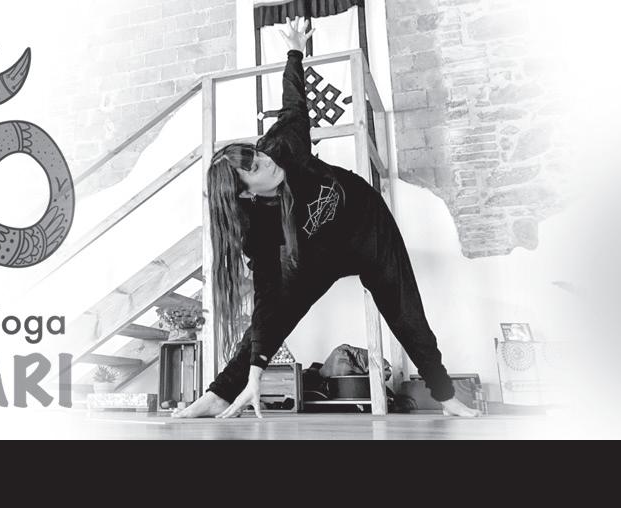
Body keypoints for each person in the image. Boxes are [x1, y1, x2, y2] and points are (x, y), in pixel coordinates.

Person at [173, 18, 481, 419]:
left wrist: (295, 51)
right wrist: (256, 374)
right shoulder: (257, 227)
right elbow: (268, 301)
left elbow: (293, 101)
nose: (265, 160)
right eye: (254, 167)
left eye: (257, 153)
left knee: (405, 311)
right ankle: (220, 393)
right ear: (245, 193)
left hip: (367, 224)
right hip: (318, 252)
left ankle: (445, 395)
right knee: (279, 310)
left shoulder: (284, 146)